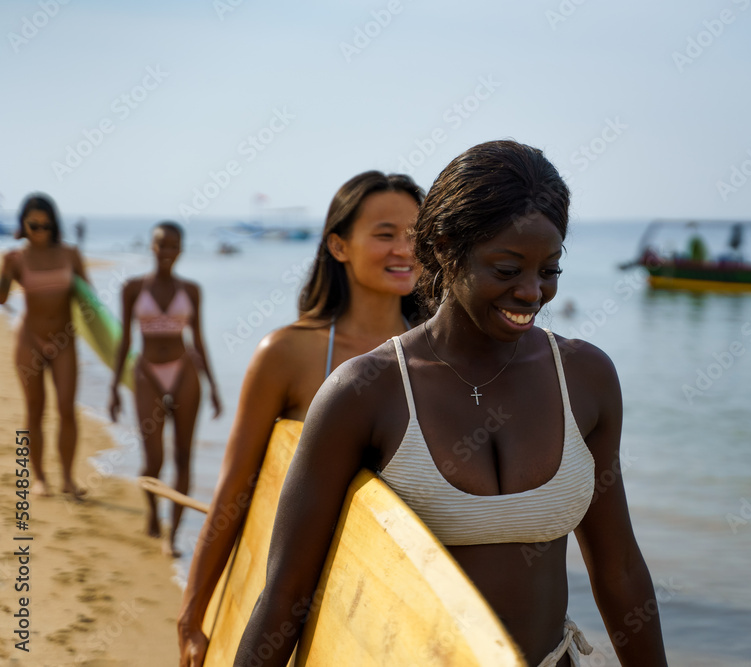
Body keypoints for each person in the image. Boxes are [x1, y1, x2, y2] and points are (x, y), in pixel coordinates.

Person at [235, 141, 669, 667]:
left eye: (549, 270)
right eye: (507, 270)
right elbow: (286, 594)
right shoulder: (365, 392)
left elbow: (618, 568)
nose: (532, 293)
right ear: (442, 247)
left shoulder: (585, 377)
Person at [177, 171, 423, 667]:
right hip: (295, 610)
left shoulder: (437, 358)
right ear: (338, 246)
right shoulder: (288, 353)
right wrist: (192, 617)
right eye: (384, 234)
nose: (404, 249)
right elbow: (235, 490)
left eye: (416, 235)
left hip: (395, 614)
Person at [109, 222, 223, 557]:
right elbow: (125, 340)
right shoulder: (132, 288)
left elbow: (198, 339)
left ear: (181, 250)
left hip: (185, 372)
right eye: (161, 244)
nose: (167, 251)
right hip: (147, 373)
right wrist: (114, 387)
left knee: (184, 457)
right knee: (153, 459)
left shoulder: (191, 290)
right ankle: (152, 514)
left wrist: (214, 385)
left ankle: (172, 535)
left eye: (174, 245)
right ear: (152, 246)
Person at [0, 193, 89, 498]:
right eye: (33, 225)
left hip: (63, 341)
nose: (39, 230)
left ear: (54, 224)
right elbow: (1, 297)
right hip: (29, 340)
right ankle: (38, 478)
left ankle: (67, 479)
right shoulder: (16, 257)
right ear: (23, 225)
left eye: (45, 225)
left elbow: (89, 302)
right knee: (34, 410)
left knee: (66, 409)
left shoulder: (70, 254)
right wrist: (4, 269)